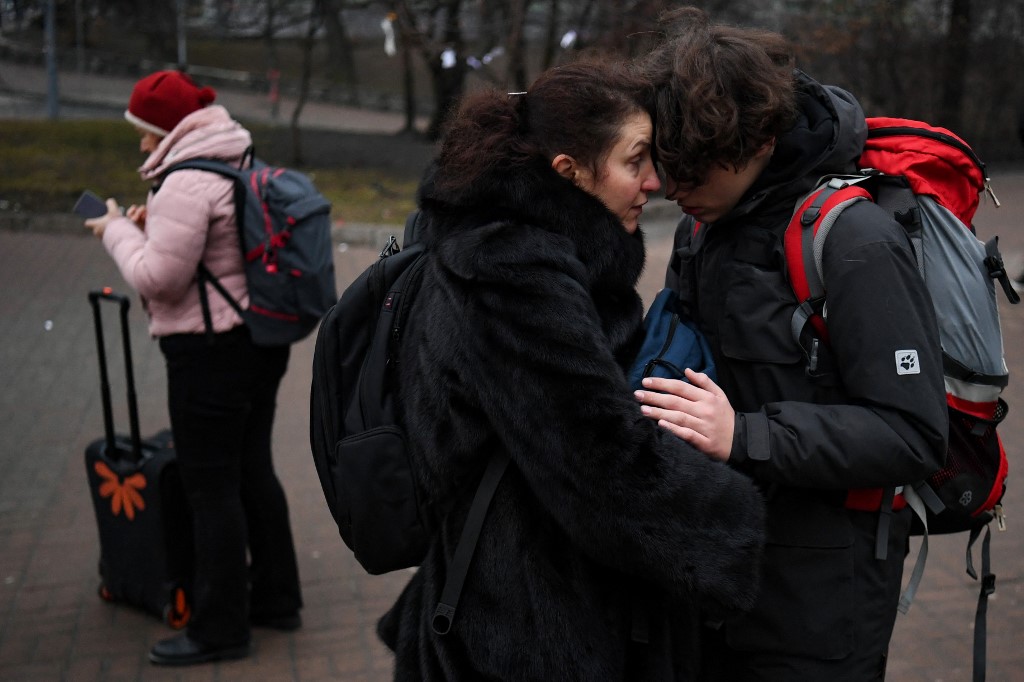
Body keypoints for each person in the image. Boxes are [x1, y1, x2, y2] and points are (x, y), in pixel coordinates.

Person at [375, 58, 767, 681]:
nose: (655, 183)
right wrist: (732, 524)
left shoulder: (520, 243)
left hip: (522, 593)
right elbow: (596, 457)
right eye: (635, 161)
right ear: (569, 172)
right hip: (526, 625)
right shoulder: (512, 270)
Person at [634, 8, 949, 681]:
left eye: (693, 170)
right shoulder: (702, 228)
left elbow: (914, 433)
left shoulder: (855, 241)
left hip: (820, 602)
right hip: (720, 577)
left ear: (756, 141)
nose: (671, 188)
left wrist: (746, 436)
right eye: (667, 165)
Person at [84, 70, 302, 666]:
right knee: (252, 466)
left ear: (167, 130)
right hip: (258, 339)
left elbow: (159, 278)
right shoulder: (234, 153)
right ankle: (278, 597)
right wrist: (150, 227)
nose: (141, 147)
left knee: (212, 490)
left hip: (209, 354)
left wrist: (115, 232)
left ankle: (220, 627)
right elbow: (218, 245)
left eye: (145, 135)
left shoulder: (184, 182)